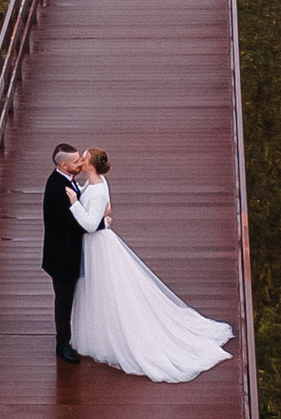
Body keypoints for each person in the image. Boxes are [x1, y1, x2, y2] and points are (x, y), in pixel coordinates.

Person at [67, 147, 232, 383]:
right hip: (95, 244)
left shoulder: (98, 187)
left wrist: (74, 204)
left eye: (83, 158)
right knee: (99, 292)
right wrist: (102, 215)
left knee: (107, 291)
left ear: (91, 165)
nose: (80, 161)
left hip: (97, 245)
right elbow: (100, 211)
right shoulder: (94, 183)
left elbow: (92, 225)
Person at [41, 142, 88, 363]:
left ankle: (73, 336)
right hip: (62, 255)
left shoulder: (67, 179)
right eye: (76, 161)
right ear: (62, 164)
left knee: (68, 297)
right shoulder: (56, 189)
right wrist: (98, 224)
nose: (80, 163)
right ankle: (62, 344)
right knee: (64, 300)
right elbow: (70, 224)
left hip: (69, 250)